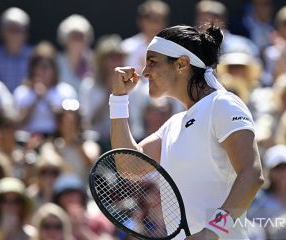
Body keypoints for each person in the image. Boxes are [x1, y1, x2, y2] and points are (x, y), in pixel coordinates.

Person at [110, 24, 264, 239]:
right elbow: (128, 166)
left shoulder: (223, 104)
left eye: (152, 62)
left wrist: (213, 231)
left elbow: (252, 174)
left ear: (182, 64)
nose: (144, 72)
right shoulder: (174, 124)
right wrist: (118, 99)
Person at [13, 42, 77, 136]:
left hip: (57, 139)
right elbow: (17, 123)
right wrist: (35, 99)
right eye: (39, 66)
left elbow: (69, 123)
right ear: (33, 69)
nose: (43, 71)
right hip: (28, 140)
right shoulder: (21, 92)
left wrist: (45, 97)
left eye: (47, 66)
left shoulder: (66, 91)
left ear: (54, 69)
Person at [0, 7, 32, 92]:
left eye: (18, 30)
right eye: (11, 30)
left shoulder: (34, 56)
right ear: (1, 32)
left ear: (26, 34)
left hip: (25, 104)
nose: (14, 35)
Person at [57, 14, 94, 92]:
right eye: (73, 36)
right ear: (65, 39)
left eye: (81, 36)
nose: (77, 41)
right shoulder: (56, 62)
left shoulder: (94, 62)